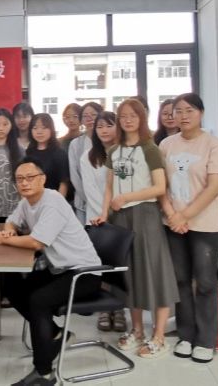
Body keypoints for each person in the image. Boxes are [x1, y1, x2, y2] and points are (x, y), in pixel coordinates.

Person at [0, 157, 102, 386]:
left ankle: (43, 373)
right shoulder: (27, 202)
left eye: (30, 177)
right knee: (10, 283)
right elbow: (12, 221)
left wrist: (2, 240)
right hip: (59, 269)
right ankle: (54, 333)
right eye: (19, 179)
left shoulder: (52, 201)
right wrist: (9, 231)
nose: (24, 183)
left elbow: (36, 243)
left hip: (84, 273)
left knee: (38, 300)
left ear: (43, 179)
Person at [93, 98, 177, 360]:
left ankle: (159, 336)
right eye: (123, 116)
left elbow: (159, 187)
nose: (128, 120)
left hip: (146, 215)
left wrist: (127, 198)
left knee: (154, 270)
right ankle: (137, 330)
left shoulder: (150, 148)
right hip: (120, 218)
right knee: (130, 275)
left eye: (133, 115)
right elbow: (109, 187)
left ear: (142, 118)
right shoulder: (114, 150)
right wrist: (104, 213)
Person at [158, 93, 218, 363]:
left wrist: (184, 215)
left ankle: (206, 340)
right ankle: (186, 335)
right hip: (173, 224)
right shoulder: (166, 144)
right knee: (180, 281)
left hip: (205, 224)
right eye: (178, 111)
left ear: (201, 112)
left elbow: (215, 186)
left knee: (206, 282)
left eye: (189, 110)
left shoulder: (213, 144)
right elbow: (160, 185)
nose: (183, 115)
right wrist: (171, 214)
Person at [81, 110, 125, 333]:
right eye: (100, 127)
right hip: (98, 219)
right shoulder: (88, 156)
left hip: (125, 215)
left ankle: (120, 309)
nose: (104, 130)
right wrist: (106, 213)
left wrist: (119, 210)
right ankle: (104, 311)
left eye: (109, 125)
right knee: (103, 265)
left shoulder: (126, 153)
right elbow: (90, 191)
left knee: (122, 266)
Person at [68, 102, 104, 224]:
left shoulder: (107, 141)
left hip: (107, 199)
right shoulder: (75, 144)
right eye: (85, 116)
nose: (89, 118)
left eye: (94, 114)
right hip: (83, 201)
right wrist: (89, 198)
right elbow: (75, 176)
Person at [26, 113, 70, 200]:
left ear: (51, 129)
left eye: (44, 127)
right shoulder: (29, 152)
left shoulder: (59, 153)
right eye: (35, 128)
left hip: (53, 201)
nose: (39, 132)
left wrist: (57, 203)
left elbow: (64, 183)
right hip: (33, 200)